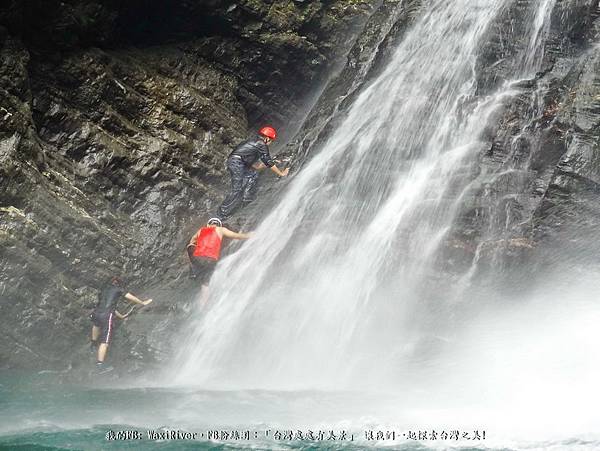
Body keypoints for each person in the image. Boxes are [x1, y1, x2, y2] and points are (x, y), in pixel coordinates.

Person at [217, 126, 290, 219]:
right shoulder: (261, 144)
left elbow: (244, 155)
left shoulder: (253, 141)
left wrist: (256, 166)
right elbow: (267, 160)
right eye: (271, 141)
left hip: (238, 162)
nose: (271, 143)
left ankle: (246, 198)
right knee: (237, 189)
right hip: (237, 163)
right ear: (267, 139)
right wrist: (281, 173)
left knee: (252, 175)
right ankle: (221, 214)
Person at [90, 277, 153, 371]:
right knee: (105, 342)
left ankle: (93, 343)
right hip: (106, 316)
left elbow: (109, 306)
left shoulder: (104, 290)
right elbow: (129, 296)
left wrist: (121, 316)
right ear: (117, 283)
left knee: (96, 325)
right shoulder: (118, 289)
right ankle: (100, 364)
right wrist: (142, 303)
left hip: (96, 313)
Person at [187, 217, 250, 304]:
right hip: (209, 260)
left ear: (208, 225)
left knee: (202, 280)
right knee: (206, 283)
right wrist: (249, 235)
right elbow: (236, 236)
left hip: (197, 258)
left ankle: (195, 276)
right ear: (219, 224)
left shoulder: (201, 230)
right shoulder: (221, 229)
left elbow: (192, 240)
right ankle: (205, 304)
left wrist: (192, 245)